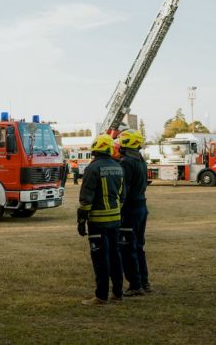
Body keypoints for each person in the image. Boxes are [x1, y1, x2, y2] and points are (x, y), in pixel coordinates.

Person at [77, 134, 125, 306]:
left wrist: (81, 220)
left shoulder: (93, 168)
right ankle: (118, 294)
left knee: (100, 258)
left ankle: (101, 296)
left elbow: (86, 198)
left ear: (95, 149)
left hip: (98, 221)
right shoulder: (118, 167)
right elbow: (122, 195)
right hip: (115, 220)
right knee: (115, 256)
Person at [117, 129, 150, 296]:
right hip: (141, 207)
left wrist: (118, 209)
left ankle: (135, 285)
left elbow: (124, 189)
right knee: (138, 247)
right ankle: (144, 282)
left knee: (127, 247)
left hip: (130, 209)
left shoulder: (126, 162)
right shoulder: (141, 160)